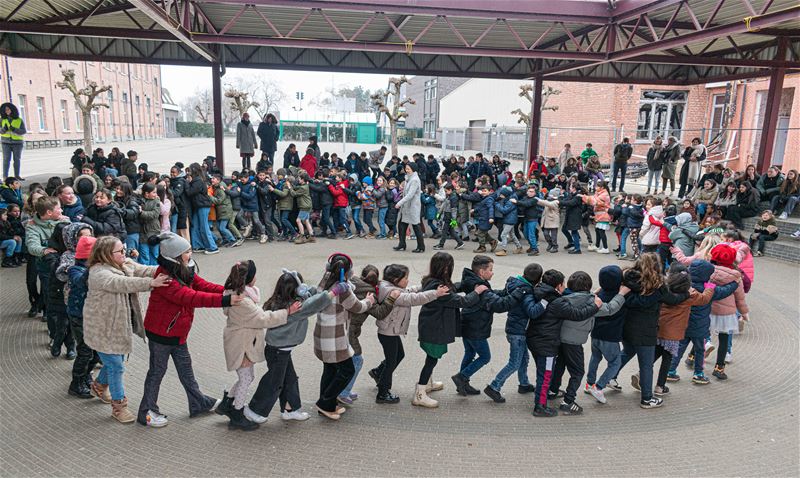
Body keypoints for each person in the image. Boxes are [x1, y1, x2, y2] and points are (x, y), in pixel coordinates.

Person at [137, 232, 240, 427]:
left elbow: (203, 286)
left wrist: (227, 289)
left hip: (177, 333)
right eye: (187, 251)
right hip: (162, 334)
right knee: (157, 372)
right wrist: (225, 300)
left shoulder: (184, 269)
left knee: (186, 370)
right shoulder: (166, 277)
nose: (191, 254)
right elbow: (191, 297)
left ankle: (198, 402)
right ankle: (146, 411)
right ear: (175, 255)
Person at [82, 236, 170, 423]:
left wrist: (170, 269)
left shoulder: (124, 263)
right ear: (106, 254)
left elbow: (145, 269)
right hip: (101, 329)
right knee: (116, 366)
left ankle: (98, 386)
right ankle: (119, 407)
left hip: (118, 327)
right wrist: (151, 284)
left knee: (116, 360)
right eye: (120, 251)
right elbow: (122, 283)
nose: (125, 253)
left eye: (124, 249)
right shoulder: (99, 273)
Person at [243, 270, 341, 422]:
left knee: (290, 380)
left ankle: (290, 409)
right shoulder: (295, 307)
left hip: (280, 350)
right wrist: (333, 292)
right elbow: (313, 304)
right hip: (278, 352)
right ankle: (254, 411)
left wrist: (327, 276)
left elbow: (313, 294)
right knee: (274, 383)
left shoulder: (279, 300)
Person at [217, 261, 301, 430]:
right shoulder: (244, 302)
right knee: (247, 378)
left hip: (241, 341)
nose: (257, 277)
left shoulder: (237, 293)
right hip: (242, 345)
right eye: (254, 274)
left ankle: (228, 403)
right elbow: (264, 319)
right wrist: (288, 311)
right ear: (248, 279)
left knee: (244, 377)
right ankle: (237, 413)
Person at [413, 252, 487, 408]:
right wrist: (477, 291)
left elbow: (453, 288)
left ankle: (428, 384)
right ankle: (420, 393)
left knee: (431, 357)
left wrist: (465, 284)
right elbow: (463, 301)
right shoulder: (438, 286)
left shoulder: (432, 280)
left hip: (431, 326)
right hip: (434, 329)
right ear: (446, 268)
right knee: (431, 360)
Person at [616, 254, 688, 409]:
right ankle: (647, 398)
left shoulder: (626, 278)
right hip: (646, 330)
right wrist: (686, 294)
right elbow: (672, 300)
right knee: (647, 365)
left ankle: (608, 379)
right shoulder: (658, 286)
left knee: (626, 352)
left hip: (627, 326)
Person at [547, 271, 625, 414]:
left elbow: (580, 298)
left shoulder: (565, 296)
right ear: (588, 286)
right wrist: (621, 294)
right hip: (574, 342)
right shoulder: (591, 301)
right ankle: (568, 401)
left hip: (559, 338)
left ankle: (552, 390)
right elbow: (610, 309)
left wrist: (593, 293)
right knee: (577, 372)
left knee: (560, 365)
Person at [313, 253, 375, 420]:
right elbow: (358, 307)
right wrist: (369, 300)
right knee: (347, 370)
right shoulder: (343, 290)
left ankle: (327, 403)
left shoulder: (326, 279)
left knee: (330, 369)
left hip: (321, 334)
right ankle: (325, 403)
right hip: (335, 338)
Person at [370, 264, 443, 403]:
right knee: (391, 362)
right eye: (405, 278)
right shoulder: (393, 293)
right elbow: (413, 299)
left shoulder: (390, 287)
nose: (407, 281)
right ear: (396, 279)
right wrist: (435, 294)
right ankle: (383, 393)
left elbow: (409, 291)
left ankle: (378, 372)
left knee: (399, 355)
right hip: (388, 332)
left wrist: (424, 286)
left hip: (390, 331)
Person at [452, 255, 524, 396]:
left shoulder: (472, 280)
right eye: (491, 269)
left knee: (470, 353)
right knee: (485, 357)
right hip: (476, 328)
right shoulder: (480, 286)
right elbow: (500, 305)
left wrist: (505, 291)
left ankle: (463, 384)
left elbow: (491, 294)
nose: (493, 272)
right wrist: (518, 293)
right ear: (482, 272)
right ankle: (461, 377)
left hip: (467, 323)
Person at [484, 264, 545, 402]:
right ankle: (494, 386)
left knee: (524, 359)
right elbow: (532, 312)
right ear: (537, 279)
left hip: (514, 328)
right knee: (515, 363)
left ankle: (524, 384)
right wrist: (544, 303)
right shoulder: (526, 291)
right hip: (518, 331)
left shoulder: (514, 284)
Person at [65, 235, 98, 398]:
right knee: (85, 351)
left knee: (96, 351)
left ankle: (86, 375)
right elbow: (79, 281)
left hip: (92, 315)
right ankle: (76, 383)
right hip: (79, 316)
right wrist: (92, 268)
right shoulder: (74, 270)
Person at [186, 163, 218, 254]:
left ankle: (213, 247)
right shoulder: (198, 180)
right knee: (195, 226)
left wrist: (187, 183)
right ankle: (198, 246)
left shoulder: (198, 181)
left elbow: (190, 192)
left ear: (194, 170)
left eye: (190, 170)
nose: (188, 172)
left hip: (203, 206)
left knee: (204, 227)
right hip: (199, 205)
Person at [393, 163, 425, 253]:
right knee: (401, 225)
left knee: (416, 226)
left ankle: (421, 246)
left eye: (408, 169)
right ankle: (402, 244)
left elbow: (410, 195)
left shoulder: (414, 180)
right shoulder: (408, 178)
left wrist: (399, 203)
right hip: (406, 207)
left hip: (413, 207)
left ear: (413, 170)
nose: (406, 170)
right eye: (406, 168)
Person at [433, 183, 464, 250]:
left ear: (450, 190)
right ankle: (460, 242)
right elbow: (444, 205)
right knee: (451, 231)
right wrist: (439, 213)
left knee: (444, 231)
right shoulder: (450, 196)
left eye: (446, 191)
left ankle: (441, 245)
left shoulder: (453, 197)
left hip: (449, 216)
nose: (445, 192)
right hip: (447, 215)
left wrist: (453, 219)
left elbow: (454, 210)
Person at [1, 102, 26, 180]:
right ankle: (5, 177)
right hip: (5, 143)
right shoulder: (2, 120)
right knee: (6, 160)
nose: (7, 111)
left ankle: (17, 176)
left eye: (8, 109)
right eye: (5, 110)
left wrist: (14, 129)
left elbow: (23, 131)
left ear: (12, 109)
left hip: (17, 143)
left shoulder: (19, 120)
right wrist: (3, 129)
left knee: (17, 160)